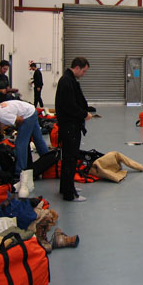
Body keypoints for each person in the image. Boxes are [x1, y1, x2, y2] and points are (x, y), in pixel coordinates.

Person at [0, 101, 49, 181]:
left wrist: (20, 132)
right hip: (31, 110)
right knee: (38, 139)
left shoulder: (0, 114)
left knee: (20, 144)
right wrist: (1, 135)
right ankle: (48, 160)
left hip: (27, 116)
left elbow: (20, 120)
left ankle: (20, 172)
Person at [55, 57, 93, 202]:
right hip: (69, 126)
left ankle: (66, 187)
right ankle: (69, 194)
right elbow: (69, 105)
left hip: (70, 126)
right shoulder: (66, 81)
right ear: (77, 67)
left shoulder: (69, 80)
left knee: (69, 158)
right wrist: (84, 114)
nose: (84, 74)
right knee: (70, 159)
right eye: (83, 71)